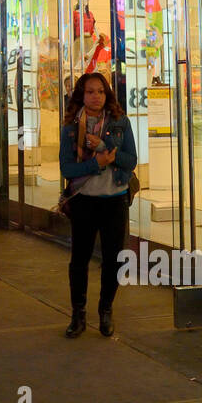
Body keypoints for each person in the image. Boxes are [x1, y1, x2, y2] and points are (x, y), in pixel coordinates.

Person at [59, 72, 137, 338]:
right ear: (81, 94)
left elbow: (130, 160)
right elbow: (67, 168)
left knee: (113, 259)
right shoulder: (71, 127)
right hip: (84, 201)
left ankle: (106, 310)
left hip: (114, 199)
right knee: (79, 259)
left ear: (108, 94)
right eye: (90, 92)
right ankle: (78, 313)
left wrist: (105, 147)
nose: (96, 97)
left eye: (101, 92)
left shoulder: (120, 122)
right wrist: (96, 163)